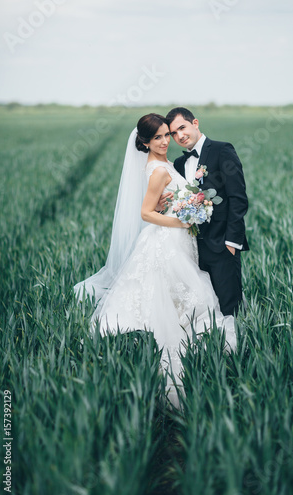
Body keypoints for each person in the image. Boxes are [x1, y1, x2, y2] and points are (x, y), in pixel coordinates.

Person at [74, 113, 236, 407]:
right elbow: (146, 213)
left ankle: (181, 341)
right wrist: (182, 222)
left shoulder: (162, 165)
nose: (165, 142)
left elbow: (162, 202)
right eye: (158, 137)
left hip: (174, 236)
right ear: (145, 142)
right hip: (168, 238)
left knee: (177, 290)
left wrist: (185, 206)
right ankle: (173, 347)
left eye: (167, 134)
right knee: (177, 290)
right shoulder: (160, 169)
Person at [162, 107, 249, 317]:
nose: (179, 136)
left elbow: (238, 199)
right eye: (173, 133)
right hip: (191, 249)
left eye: (182, 128)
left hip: (221, 246)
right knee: (204, 311)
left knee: (230, 309)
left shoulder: (222, 150)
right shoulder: (180, 163)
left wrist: (231, 243)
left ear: (195, 123)